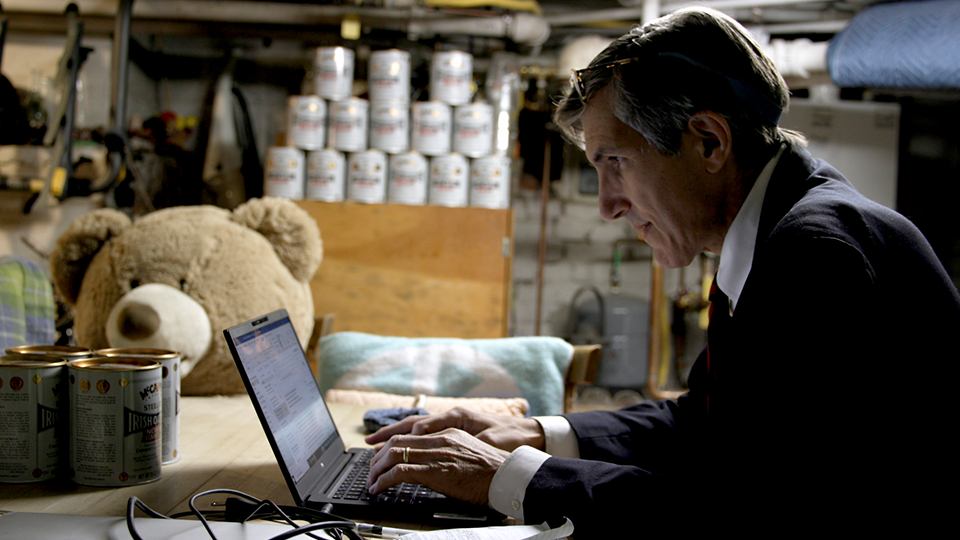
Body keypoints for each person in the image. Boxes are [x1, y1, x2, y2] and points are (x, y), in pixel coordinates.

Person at [365, 7, 960, 536]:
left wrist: (513, 477)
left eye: (615, 162)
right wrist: (537, 436)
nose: (607, 204)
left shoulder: (815, 254)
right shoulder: (777, 229)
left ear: (707, 142)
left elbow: (749, 511)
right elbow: (701, 421)